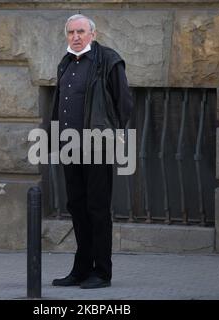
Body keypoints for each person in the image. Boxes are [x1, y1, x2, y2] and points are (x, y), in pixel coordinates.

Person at [49, 14, 133, 289]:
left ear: (93, 34)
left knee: (97, 209)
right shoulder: (65, 62)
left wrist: (114, 134)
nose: (75, 36)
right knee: (77, 207)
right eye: (71, 32)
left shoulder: (108, 59)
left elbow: (124, 102)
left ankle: (102, 272)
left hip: (97, 147)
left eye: (81, 31)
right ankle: (81, 268)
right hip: (69, 147)